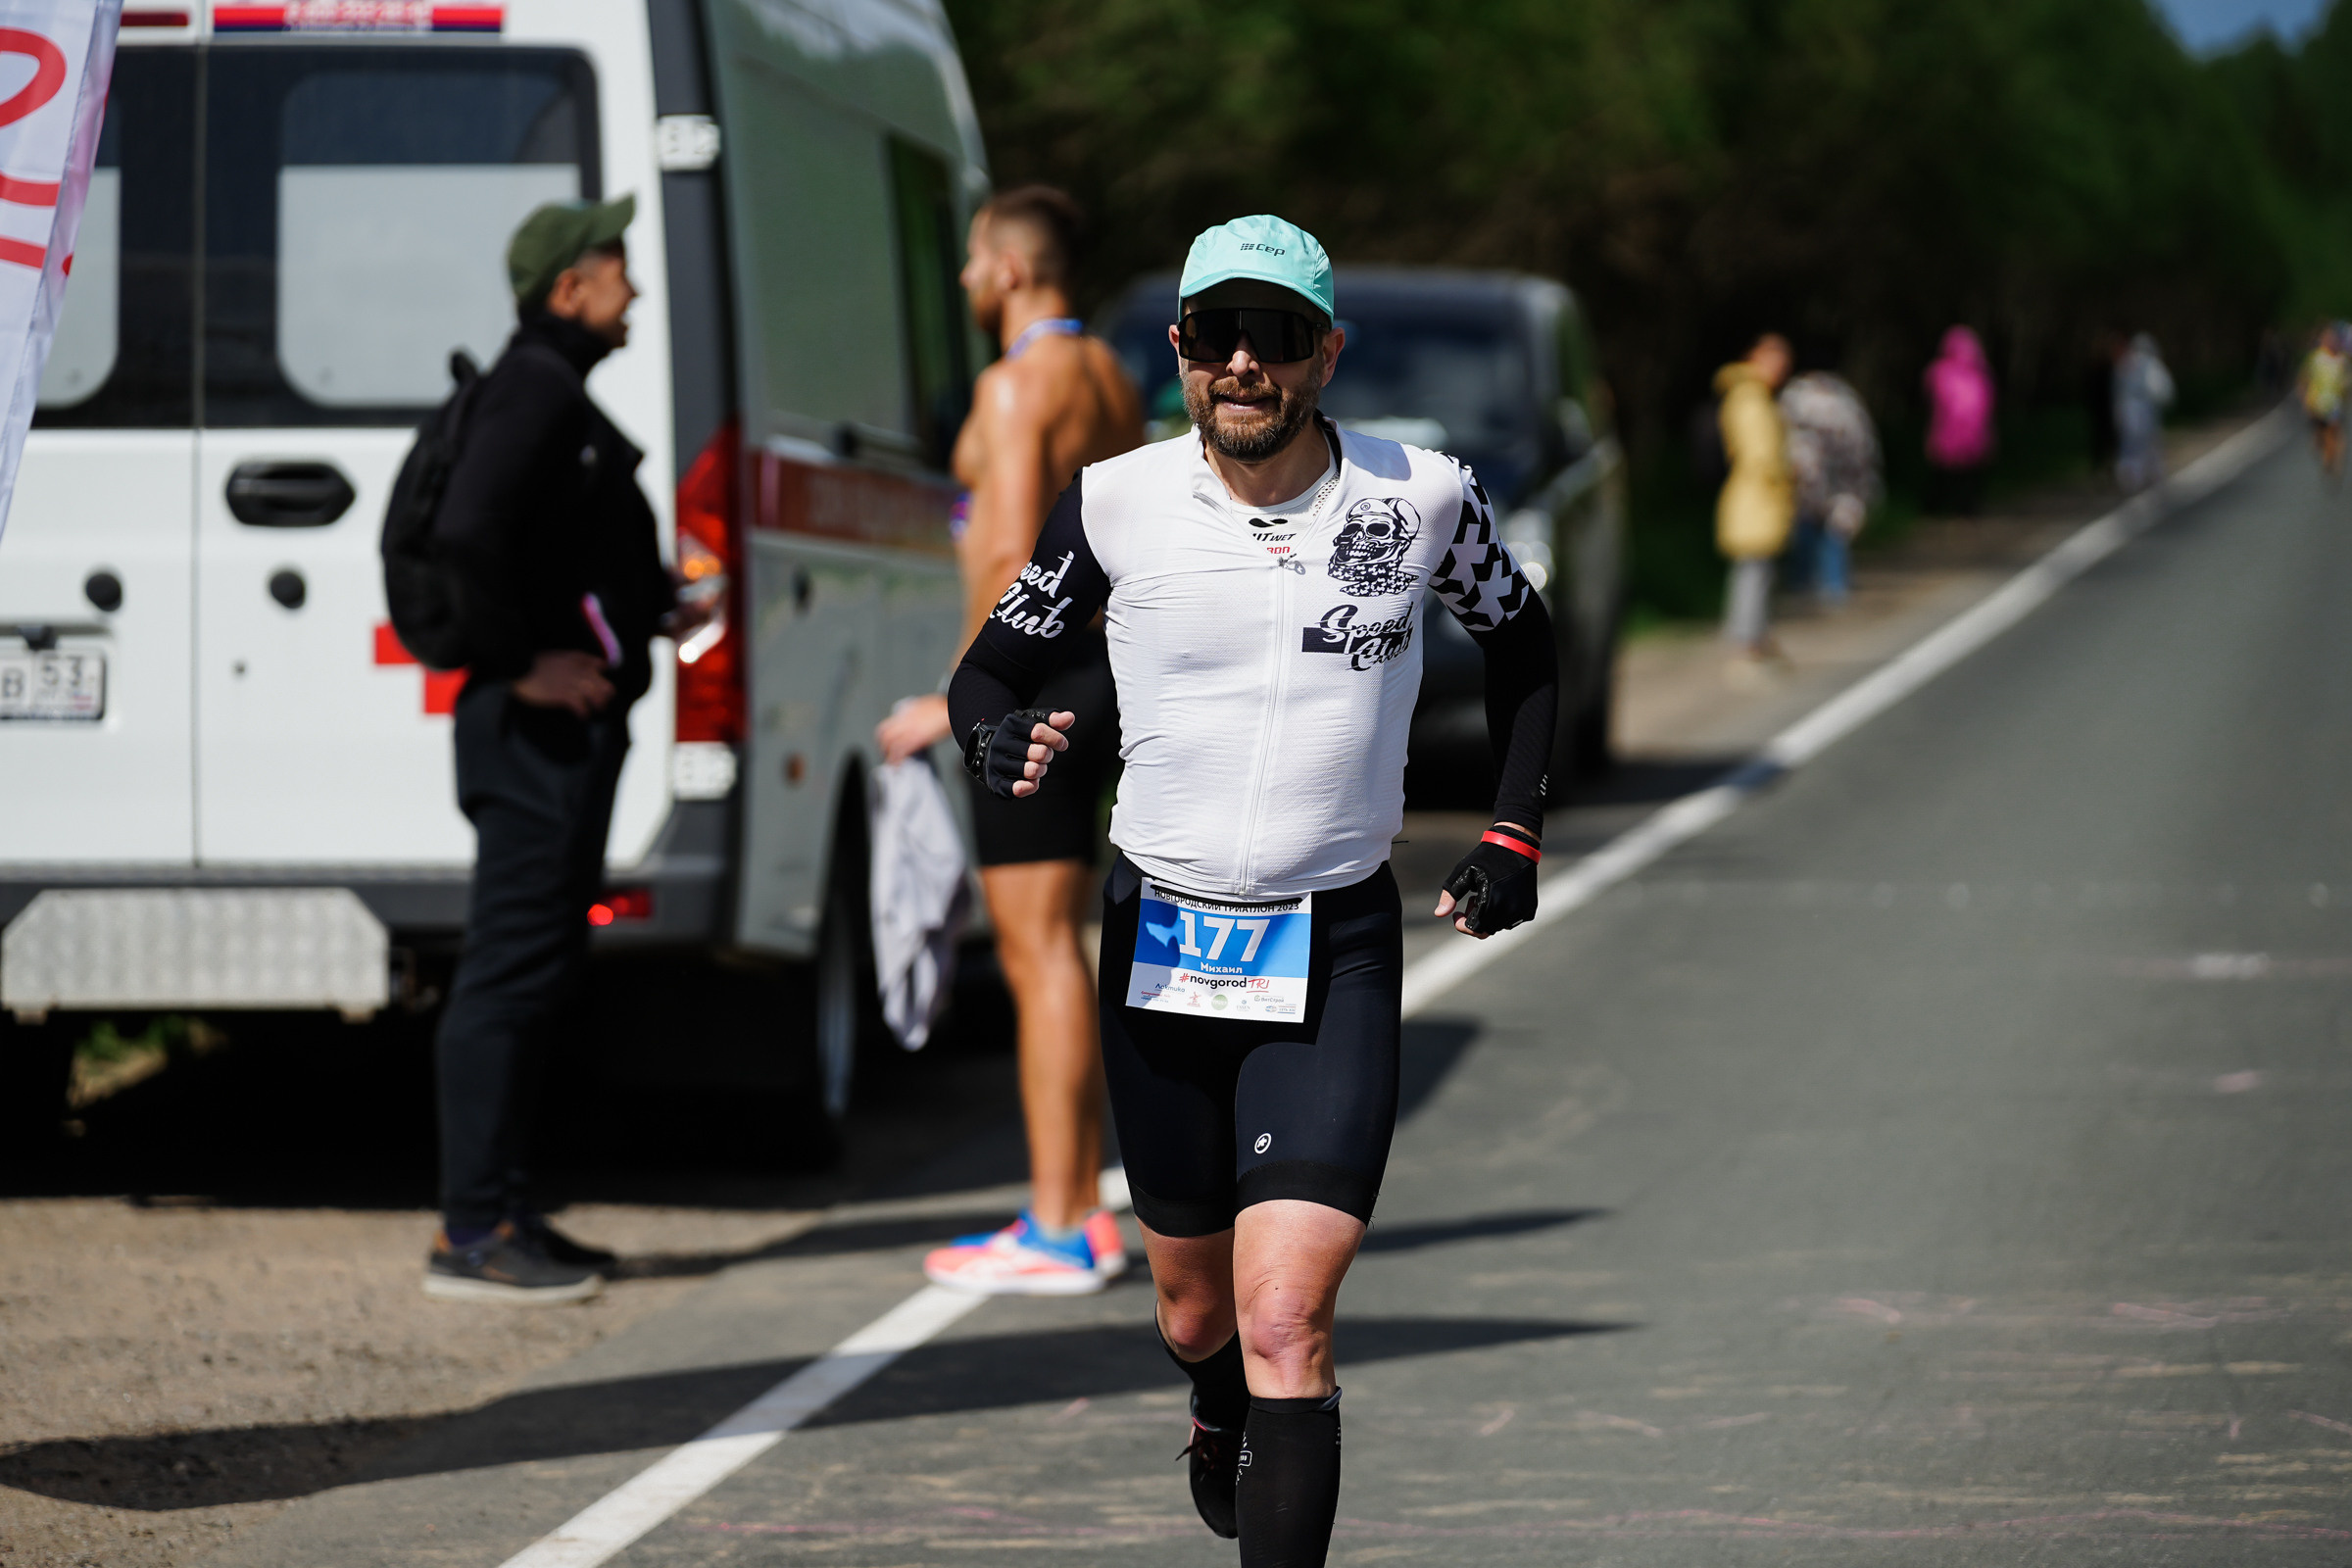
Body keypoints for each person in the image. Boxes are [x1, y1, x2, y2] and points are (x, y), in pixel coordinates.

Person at [947, 214, 1558, 1567]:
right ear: (1178, 351)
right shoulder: (1115, 501)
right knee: (1195, 1313)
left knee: (1289, 1319)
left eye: (1275, 337)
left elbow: (1524, 640)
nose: (1243, 362)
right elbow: (987, 671)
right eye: (1216, 335)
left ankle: (1261, 1426)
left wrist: (1512, 831)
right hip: (1158, 939)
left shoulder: (1421, 500)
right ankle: (1212, 1403)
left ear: (1325, 353)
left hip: (1332, 947)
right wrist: (997, 740)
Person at [423, 196, 706, 1303]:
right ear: (567, 288)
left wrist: (653, 606)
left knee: (536, 973)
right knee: (505, 974)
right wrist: (517, 664)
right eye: (616, 267)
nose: (632, 288)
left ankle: (505, 1206)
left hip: (556, 730)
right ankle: (472, 1229)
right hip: (531, 732)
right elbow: (463, 535)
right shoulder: (532, 390)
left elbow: (553, 554)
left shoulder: (551, 392)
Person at [874, 185, 1145, 1295]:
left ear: (1016, 269)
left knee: (1036, 955)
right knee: (1058, 948)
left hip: (1028, 676)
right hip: (1099, 672)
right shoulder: (1114, 379)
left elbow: (1015, 548)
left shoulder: (1016, 382)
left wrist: (962, 696)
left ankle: (1055, 1221)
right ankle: (1077, 1207)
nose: (965, 278)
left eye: (976, 258)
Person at [1714, 333, 1793, 671]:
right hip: (1755, 498)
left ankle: (1754, 639)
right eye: (1775, 359)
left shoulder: (1753, 395)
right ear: (1756, 357)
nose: (1781, 368)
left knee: (1757, 573)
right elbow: (1761, 453)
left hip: (1758, 498)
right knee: (1752, 573)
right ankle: (1747, 644)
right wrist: (1783, 475)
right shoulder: (1750, 398)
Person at [1779, 369, 1881, 610]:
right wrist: (1863, 485)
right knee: (1835, 535)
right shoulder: (1845, 398)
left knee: (1806, 531)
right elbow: (1863, 444)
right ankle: (1835, 589)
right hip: (1842, 481)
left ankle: (1801, 586)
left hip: (1804, 479)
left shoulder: (1793, 396)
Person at [1923, 325, 1995, 515]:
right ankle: (1967, 509)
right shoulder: (1980, 373)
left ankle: (1934, 509)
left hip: (1946, 435)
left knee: (1942, 474)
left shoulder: (1939, 371)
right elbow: (1988, 406)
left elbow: (1933, 402)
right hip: (1975, 437)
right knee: (1969, 476)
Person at [2114, 331, 2176, 493]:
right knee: (2147, 443)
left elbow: (2117, 389)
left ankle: (2132, 478)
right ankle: (2144, 477)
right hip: (2143, 408)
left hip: (2129, 407)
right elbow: (2161, 388)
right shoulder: (2150, 363)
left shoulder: (2126, 362)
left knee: (2131, 445)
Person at [2298, 322, 2346, 480]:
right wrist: (2305, 398)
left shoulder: (2342, 360)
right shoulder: (2316, 358)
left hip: (2335, 403)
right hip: (2317, 402)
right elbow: (2304, 378)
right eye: (2327, 338)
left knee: (2334, 432)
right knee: (2321, 434)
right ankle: (2322, 447)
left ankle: (2332, 462)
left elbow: (2346, 382)